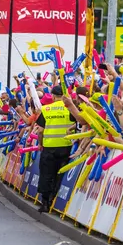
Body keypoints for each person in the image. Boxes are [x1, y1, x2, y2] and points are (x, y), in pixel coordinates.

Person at [35, 85, 76, 213]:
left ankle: (45, 202)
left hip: (49, 147)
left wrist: (40, 143)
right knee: (59, 175)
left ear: (52, 96)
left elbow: (40, 130)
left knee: (46, 175)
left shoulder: (46, 109)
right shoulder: (69, 108)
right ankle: (54, 198)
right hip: (65, 147)